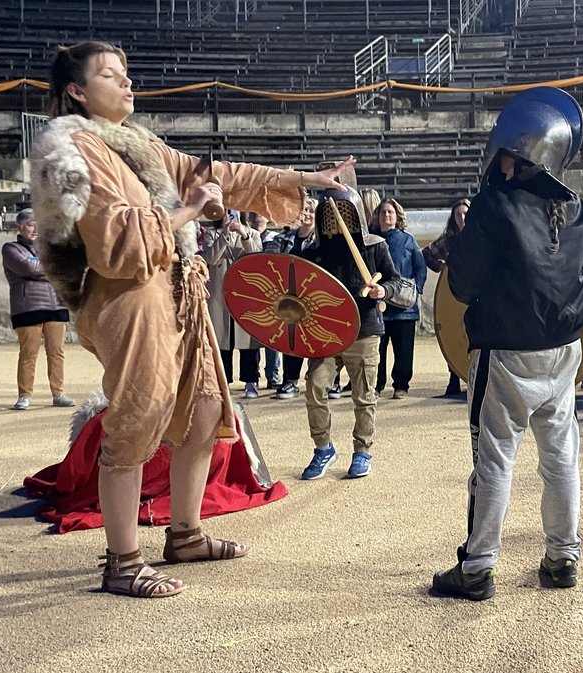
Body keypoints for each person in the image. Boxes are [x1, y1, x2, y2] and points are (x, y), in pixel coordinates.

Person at [30, 41, 353, 598]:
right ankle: (122, 561)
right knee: (137, 415)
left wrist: (304, 180)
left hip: (177, 285)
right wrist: (186, 210)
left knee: (205, 407)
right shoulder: (75, 151)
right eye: (111, 75)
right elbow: (113, 246)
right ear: (78, 91)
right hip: (128, 293)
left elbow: (215, 173)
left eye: (127, 73)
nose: (127, 84)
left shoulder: (137, 145)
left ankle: (185, 535)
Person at [432, 87, 583, 601]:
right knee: (561, 458)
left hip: (505, 352)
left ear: (515, 156)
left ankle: (478, 567)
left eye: (502, 154)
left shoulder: (494, 203)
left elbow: (462, 286)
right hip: (564, 350)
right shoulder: (576, 209)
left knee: (494, 458)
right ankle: (562, 559)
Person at [297, 188, 401, 481]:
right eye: (330, 213)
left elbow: (395, 280)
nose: (336, 218)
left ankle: (362, 450)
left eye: (343, 212)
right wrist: (302, 235)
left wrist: (384, 290)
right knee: (316, 387)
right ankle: (323, 448)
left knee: (364, 394)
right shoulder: (315, 251)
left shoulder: (375, 246)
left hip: (365, 328)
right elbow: (294, 277)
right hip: (326, 332)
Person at [2, 208, 74, 410]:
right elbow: (28, 268)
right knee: (28, 353)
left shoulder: (51, 247)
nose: (35, 229)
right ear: (20, 227)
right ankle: (24, 394)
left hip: (56, 305)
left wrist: (44, 265)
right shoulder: (11, 248)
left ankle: (58, 393)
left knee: (57, 352)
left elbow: (62, 267)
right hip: (28, 307)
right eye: (31, 224)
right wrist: (50, 267)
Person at [201, 209, 264, 399]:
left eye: (235, 211)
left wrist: (243, 235)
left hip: (245, 294)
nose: (231, 214)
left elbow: (256, 257)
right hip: (219, 294)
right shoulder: (212, 235)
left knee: (248, 341)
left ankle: (251, 381)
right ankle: (223, 382)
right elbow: (210, 259)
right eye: (227, 211)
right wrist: (225, 235)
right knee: (222, 340)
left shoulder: (252, 233)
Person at [371, 197, 426, 399]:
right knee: (378, 350)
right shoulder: (371, 239)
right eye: (383, 212)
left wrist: (415, 289)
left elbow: (420, 267)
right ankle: (376, 386)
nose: (387, 215)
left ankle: (401, 385)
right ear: (377, 216)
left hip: (404, 308)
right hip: (378, 305)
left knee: (404, 350)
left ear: (397, 216)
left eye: (390, 212)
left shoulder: (408, 240)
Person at [268, 195, 318, 400]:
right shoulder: (284, 239)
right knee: (291, 339)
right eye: (304, 209)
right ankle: (290, 380)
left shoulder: (324, 240)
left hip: (315, 297)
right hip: (290, 297)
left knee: (316, 339)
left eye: (311, 211)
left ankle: (323, 380)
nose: (307, 214)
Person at [422, 198, 470, 397]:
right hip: (454, 293)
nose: (462, 218)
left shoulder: (482, 235)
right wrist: (444, 270)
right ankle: (454, 378)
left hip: (479, 292)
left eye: (465, 214)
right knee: (452, 333)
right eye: (458, 214)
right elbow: (427, 254)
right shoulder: (450, 240)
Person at [246, 211, 282, 389]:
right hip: (250, 292)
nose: (257, 215)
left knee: (271, 337)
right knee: (251, 336)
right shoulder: (243, 235)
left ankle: (273, 375)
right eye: (253, 213)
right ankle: (252, 376)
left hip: (271, 293)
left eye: (261, 213)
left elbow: (270, 261)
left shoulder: (274, 238)